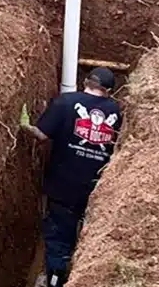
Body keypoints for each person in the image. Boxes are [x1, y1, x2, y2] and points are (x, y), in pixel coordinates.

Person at [21, 67, 123, 286]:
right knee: (90, 234)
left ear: (86, 82)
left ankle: (55, 280)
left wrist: (25, 126)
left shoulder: (65, 102)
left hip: (63, 186)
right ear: (108, 91)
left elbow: (42, 135)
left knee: (59, 237)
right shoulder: (116, 111)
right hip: (99, 188)